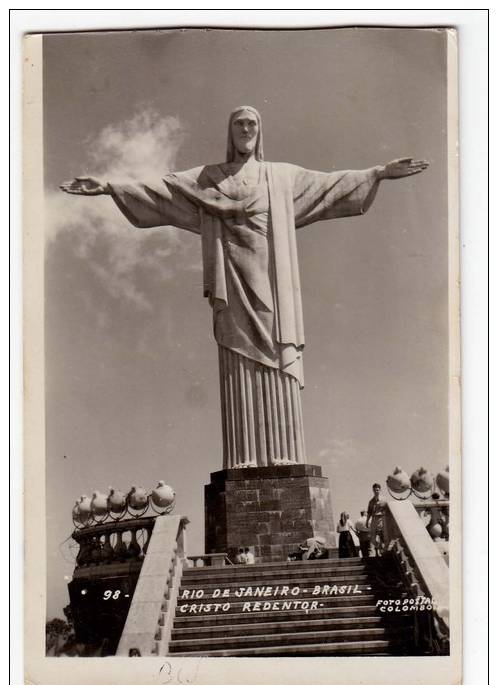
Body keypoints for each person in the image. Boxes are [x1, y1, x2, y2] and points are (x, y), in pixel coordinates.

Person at [61, 106, 428, 470]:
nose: (246, 129)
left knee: (276, 351)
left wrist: (379, 173)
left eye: (252, 123)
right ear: (230, 132)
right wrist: (110, 186)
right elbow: (162, 190)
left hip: (273, 279)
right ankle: (243, 458)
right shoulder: (208, 179)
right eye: (239, 123)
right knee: (238, 356)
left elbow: (330, 184)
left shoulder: (281, 178)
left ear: (260, 130)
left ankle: (287, 455)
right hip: (232, 279)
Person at [366, 484, 387, 556]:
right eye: (375, 490)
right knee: (372, 538)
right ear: (373, 490)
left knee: (381, 535)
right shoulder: (371, 501)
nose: (376, 491)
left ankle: (382, 551)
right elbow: (369, 512)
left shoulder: (384, 500)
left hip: (382, 518)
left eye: (377, 490)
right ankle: (379, 547)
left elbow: (388, 511)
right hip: (374, 519)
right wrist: (367, 521)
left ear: (380, 490)